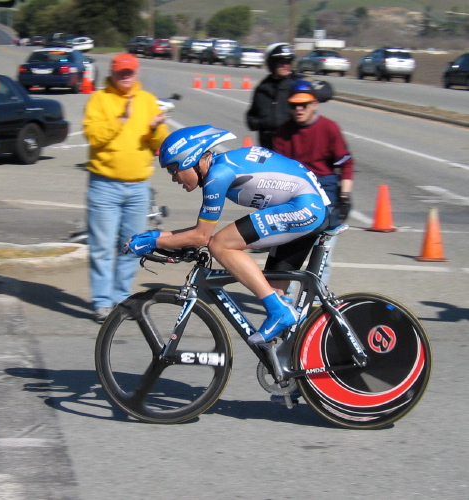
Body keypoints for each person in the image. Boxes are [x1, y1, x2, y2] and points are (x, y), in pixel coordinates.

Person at [125, 125, 331, 344]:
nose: (174, 178)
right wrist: (156, 236)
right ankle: (293, 358)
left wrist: (153, 240)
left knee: (220, 245)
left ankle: (281, 313)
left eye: (173, 169)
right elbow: (198, 233)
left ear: (190, 160)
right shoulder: (221, 166)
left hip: (305, 207)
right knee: (270, 290)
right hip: (306, 206)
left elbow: (201, 237)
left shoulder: (218, 175)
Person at [83, 52, 168, 323]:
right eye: (121, 72)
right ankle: (102, 303)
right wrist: (120, 120)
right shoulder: (99, 99)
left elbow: (160, 143)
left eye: (130, 71)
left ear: (137, 71)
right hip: (104, 185)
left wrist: (156, 128)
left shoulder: (148, 101)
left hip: (138, 186)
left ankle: (121, 299)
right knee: (101, 246)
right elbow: (94, 137)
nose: (126, 76)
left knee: (132, 246)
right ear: (113, 72)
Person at [270, 79, 354, 286]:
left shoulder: (329, 128)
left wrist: (344, 196)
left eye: (304, 105)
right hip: (294, 193)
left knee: (321, 254)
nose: (299, 109)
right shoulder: (282, 133)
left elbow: (346, 163)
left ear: (314, 104)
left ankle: (316, 301)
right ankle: (285, 299)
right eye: (294, 105)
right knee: (287, 254)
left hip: (325, 192)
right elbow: (276, 172)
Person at [246, 43, 331, 150]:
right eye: (282, 62)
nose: (286, 65)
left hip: (294, 148)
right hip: (268, 148)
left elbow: (326, 91)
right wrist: (263, 122)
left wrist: (312, 89)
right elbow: (251, 118)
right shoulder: (262, 88)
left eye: (289, 61)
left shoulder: (299, 82)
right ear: (272, 63)